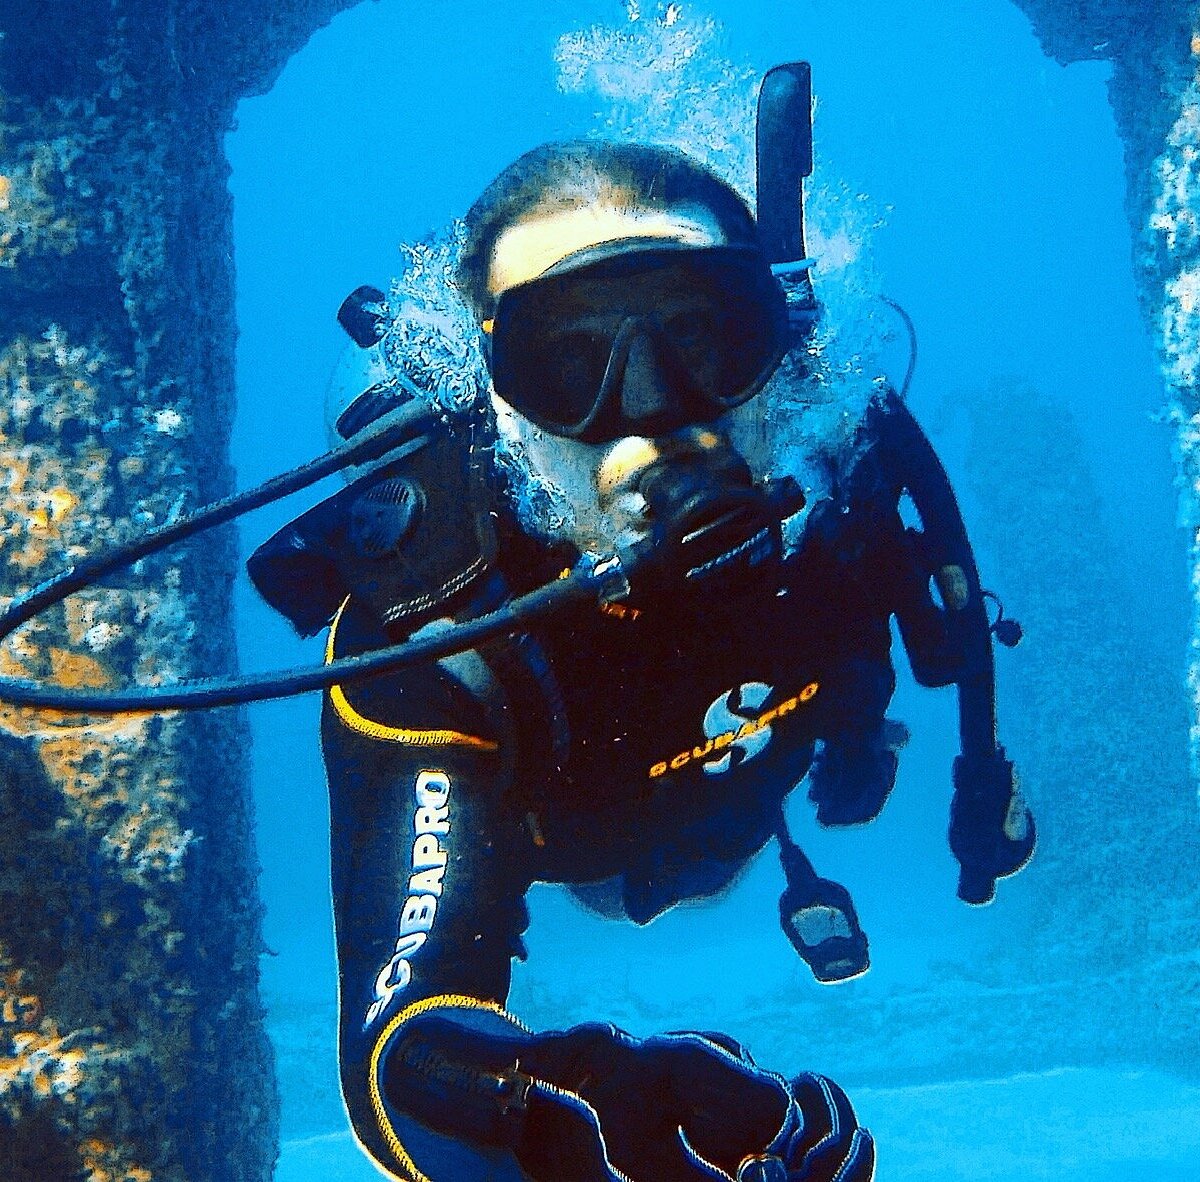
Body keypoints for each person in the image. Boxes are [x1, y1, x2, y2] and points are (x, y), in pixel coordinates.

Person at [249, 136, 1032, 1181]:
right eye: (567, 363)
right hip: (598, 855)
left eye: (704, 336)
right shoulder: (435, 633)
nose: (653, 415)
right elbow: (401, 1056)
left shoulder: (845, 484)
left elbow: (885, 630)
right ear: (493, 407)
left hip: (753, 795)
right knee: (644, 888)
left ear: (781, 344)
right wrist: (586, 1116)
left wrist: (859, 738)